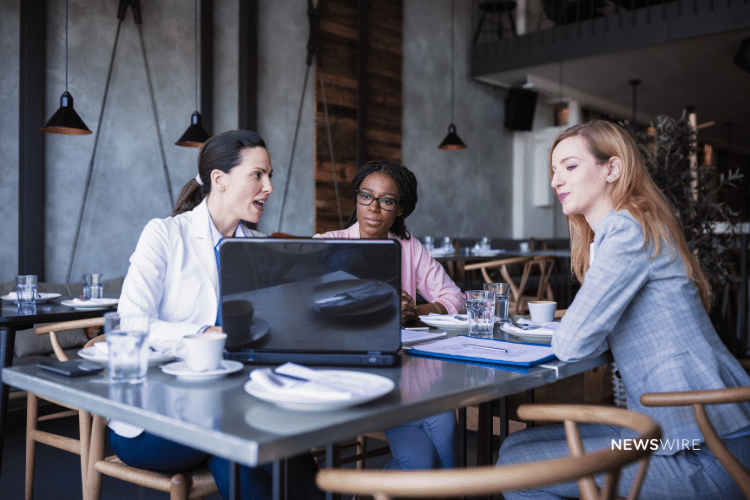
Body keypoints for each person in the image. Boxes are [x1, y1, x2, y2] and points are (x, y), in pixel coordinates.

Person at [496, 120, 750, 499]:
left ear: (612, 169)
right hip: (662, 435)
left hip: (701, 449)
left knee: (519, 467)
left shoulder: (627, 229)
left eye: (569, 166)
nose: (555, 181)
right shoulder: (626, 229)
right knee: (514, 449)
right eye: (553, 170)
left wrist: (566, 328)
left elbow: (574, 341)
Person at [116, 130, 323, 500]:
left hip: (234, 402)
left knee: (255, 444)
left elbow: (271, 329)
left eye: (270, 175)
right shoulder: (164, 235)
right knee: (250, 436)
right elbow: (132, 324)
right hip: (153, 417)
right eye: (257, 175)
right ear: (219, 180)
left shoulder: (259, 247)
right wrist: (206, 333)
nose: (269, 187)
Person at [316, 160, 462, 470]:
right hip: (351, 375)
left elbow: (455, 298)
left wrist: (416, 312)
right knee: (439, 425)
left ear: (399, 209)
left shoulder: (408, 248)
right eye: (366, 196)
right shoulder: (327, 246)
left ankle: (449, 491)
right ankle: (456, 492)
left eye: (387, 200)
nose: (373, 208)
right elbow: (314, 313)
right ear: (356, 198)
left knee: (426, 451)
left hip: (402, 371)